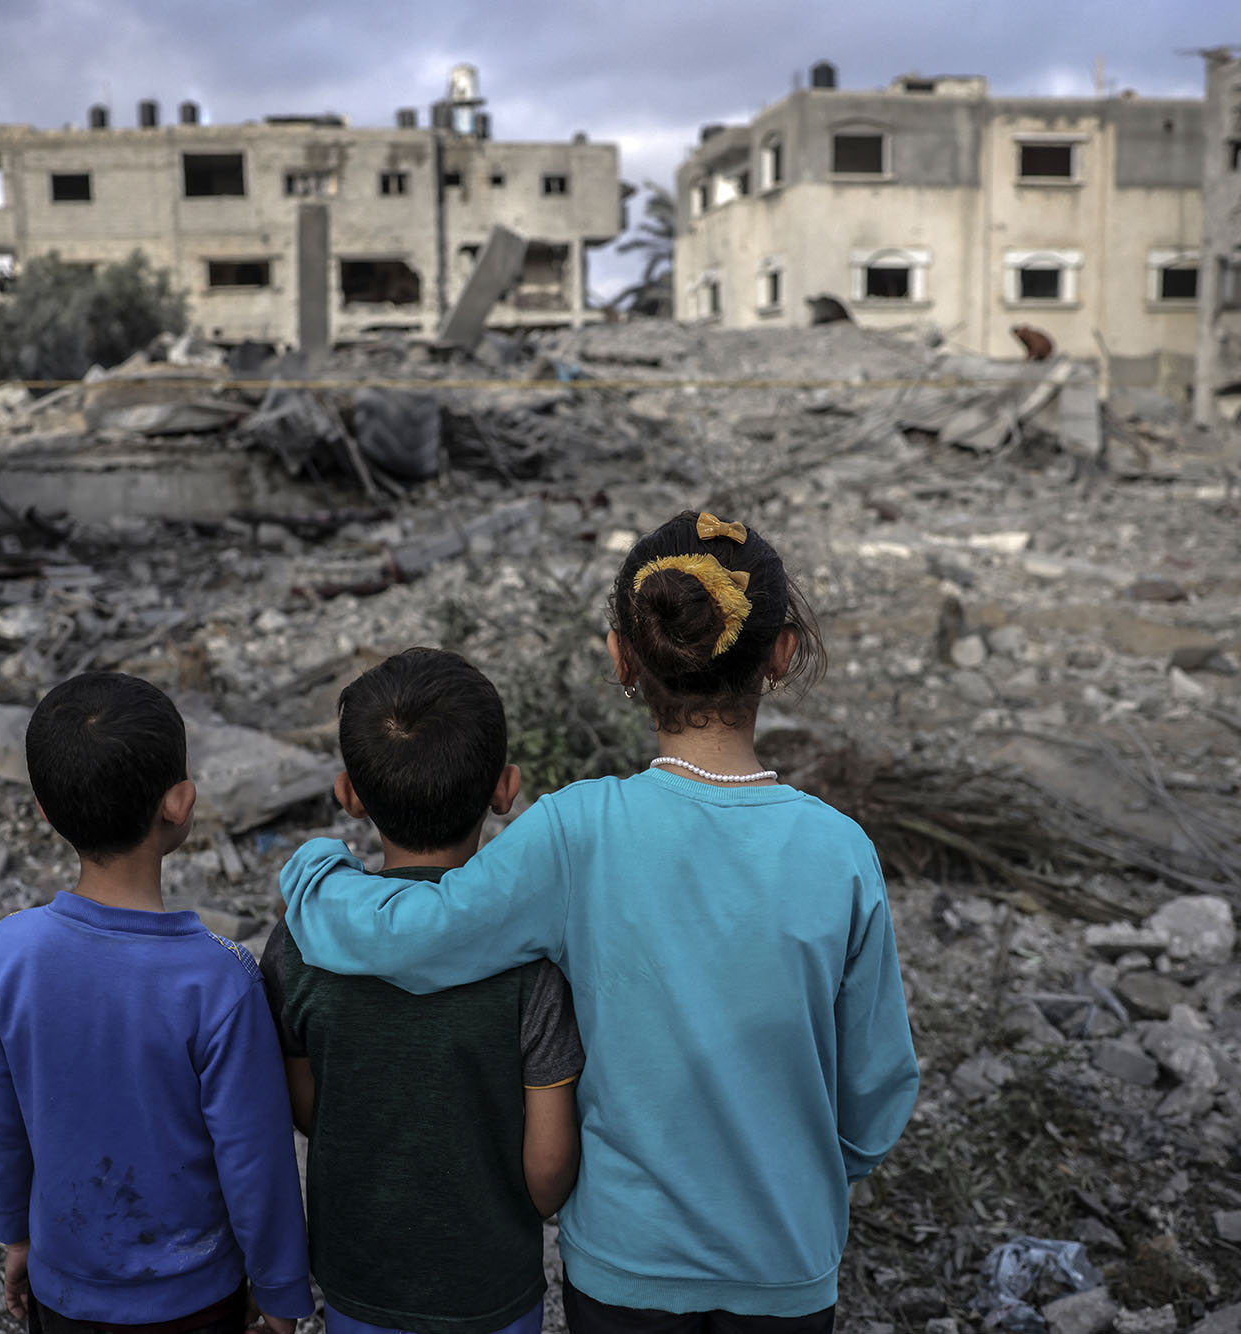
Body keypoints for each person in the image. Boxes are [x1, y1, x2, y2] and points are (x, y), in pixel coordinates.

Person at [281, 511, 920, 1334]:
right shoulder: (840, 851)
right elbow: (877, 1084)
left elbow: (417, 932)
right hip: (787, 1259)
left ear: (622, 656)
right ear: (783, 654)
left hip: (625, 1265)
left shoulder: (578, 830)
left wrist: (312, 872)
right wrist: (812, 1173)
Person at [0, 672, 312, 1334]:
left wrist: (16, 1236)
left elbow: (0, 1120)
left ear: (42, 808)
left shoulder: (10, 951)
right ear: (181, 802)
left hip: (61, 1286)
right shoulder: (220, 980)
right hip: (194, 1301)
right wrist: (279, 1292)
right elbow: (255, 1160)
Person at [261, 647, 584, 1334]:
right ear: (506, 789)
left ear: (349, 795)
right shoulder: (534, 964)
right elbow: (548, 1173)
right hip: (492, 1288)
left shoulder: (299, 943)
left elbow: (308, 1108)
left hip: (357, 1280)